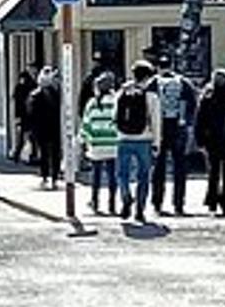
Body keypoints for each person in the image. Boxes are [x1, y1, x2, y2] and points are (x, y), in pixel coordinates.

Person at [112, 60, 159, 224]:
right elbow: (155, 120)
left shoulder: (121, 93)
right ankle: (140, 209)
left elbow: (115, 116)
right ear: (147, 77)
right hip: (144, 140)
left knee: (121, 173)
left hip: (123, 138)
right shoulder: (151, 96)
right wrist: (156, 143)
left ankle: (126, 197)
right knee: (144, 176)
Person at [151, 58, 196, 217]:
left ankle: (157, 203)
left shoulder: (153, 83)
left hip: (159, 128)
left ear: (158, 67)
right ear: (172, 66)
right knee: (179, 168)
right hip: (179, 127)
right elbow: (192, 104)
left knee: (158, 168)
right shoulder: (183, 82)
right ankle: (178, 204)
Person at [196, 67, 225, 216]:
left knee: (213, 172)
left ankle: (212, 202)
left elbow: (199, 120)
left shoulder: (207, 96)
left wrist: (200, 140)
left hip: (211, 139)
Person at [79, 70, 120, 215]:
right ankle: (112, 205)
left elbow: (86, 124)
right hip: (113, 144)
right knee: (112, 176)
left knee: (95, 175)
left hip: (96, 144)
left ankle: (95, 202)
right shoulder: (116, 101)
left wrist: (84, 141)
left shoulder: (92, 103)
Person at [27, 67, 63, 188]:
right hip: (52, 127)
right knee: (52, 153)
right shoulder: (55, 93)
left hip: (43, 128)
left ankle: (47, 177)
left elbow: (30, 113)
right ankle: (52, 177)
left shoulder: (35, 95)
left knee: (45, 153)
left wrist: (31, 128)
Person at [10, 69, 36, 164]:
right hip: (31, 116)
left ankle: (18, 154)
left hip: (24, 116)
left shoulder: (19, 88)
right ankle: (30, 155)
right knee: (31, 137)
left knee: (23, 137)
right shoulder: (32, 86)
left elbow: (17, 103)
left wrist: (17, 117)